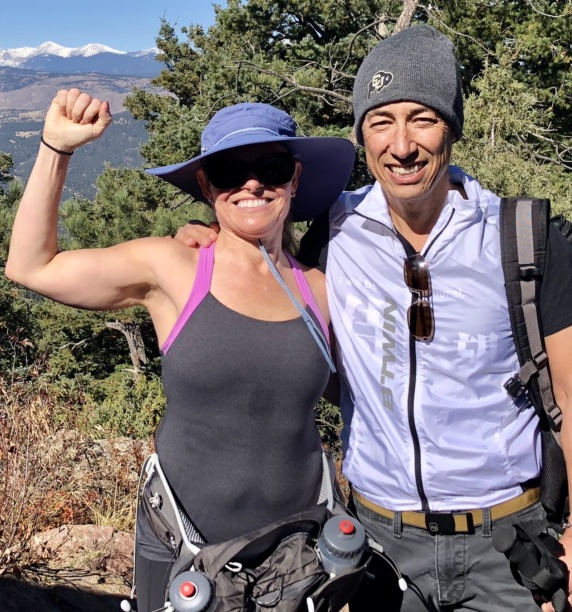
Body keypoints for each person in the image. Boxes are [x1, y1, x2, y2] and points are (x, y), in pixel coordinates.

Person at [175, 25, 572, 612]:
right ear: (361, 136)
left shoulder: (527, 239)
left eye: (423, 118)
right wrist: (220, 237)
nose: (402, 144)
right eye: (381, 121)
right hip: (376, 542)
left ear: (453, 128)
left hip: (508, 546)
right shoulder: (334, 232)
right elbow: (267, 273)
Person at [4, 89, 355, 611]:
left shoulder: (321, 290)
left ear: (294, 179)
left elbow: (361, 395)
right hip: (182, 547)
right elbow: (31, 266)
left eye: (271, 166)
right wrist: (56, 148)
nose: (252, 183)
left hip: (299, 553)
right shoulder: (173, 267)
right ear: (206, 185)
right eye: (230, 171)